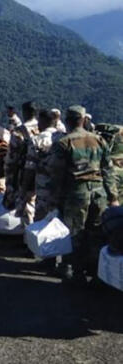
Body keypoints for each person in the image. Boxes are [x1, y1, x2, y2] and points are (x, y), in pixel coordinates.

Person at [48, 105, 119, 286]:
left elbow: (56, 174)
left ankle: (74, 271)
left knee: (74, 233)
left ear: (68, 121)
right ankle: (97, 273)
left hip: (75, 193)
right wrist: (113, 197)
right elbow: (108, 171)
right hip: (99, 193)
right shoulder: (99, 140)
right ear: (83, 120)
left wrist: (53, 199)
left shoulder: (64, 143)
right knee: (96, 233)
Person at [20, 109, 63, 222]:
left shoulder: (36, 140)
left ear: (43, 122)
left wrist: (24, 188)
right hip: (62, 185)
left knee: (41, 219)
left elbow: (30, 167)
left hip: (43, 186)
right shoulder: (64, 138)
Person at [4, 101, 39, 224]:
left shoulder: (19, 131)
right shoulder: (43, 128)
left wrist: (9, 177)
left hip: (25, 172)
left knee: (27, 205)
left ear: (24, 113)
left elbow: (11, 158)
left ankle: (28, 235)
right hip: (43, 173)